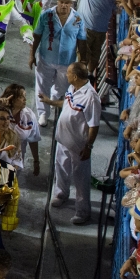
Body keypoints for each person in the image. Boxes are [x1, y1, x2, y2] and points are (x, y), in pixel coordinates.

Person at [52, 62, 100, 224]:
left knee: (80, 179)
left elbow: (94, 125)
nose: (66, 75)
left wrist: (89, 146)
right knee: (61, 169)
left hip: (78, 145)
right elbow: (66, 104)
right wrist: (49, 101)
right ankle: (61, 194)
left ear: (75, 76)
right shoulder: (73, 88)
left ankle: (83, 211)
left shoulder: (91, 97)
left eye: (68, 73)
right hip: (63, 139)